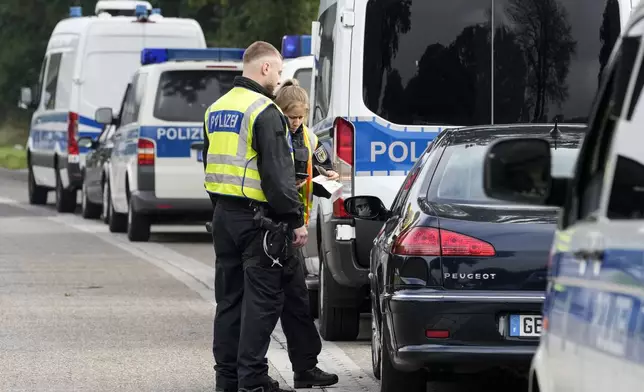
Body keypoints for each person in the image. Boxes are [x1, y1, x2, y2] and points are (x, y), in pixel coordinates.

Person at [203, 41, 308, 392]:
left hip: (223, 216)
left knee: (229, 300)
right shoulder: (264, 110)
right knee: (262, 303)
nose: (279, 79)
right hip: (257, 221)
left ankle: (227, 379)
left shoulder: (215, 109)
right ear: (264, 68)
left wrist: (220, 209)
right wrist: (294, 220)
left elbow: (212, 165)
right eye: (278, 71)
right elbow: (278, 177)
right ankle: (253, 381)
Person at [272, 79, 339, 388]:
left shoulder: (309, 137)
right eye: (290, 117)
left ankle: (305, 369)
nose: (296, 122)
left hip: (297, 225)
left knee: (297, 301)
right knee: (281, 301)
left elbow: (325, 165)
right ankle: (290, 369)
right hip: (276, 225)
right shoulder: (273, 135)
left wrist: (329, 175)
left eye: (300, 117)